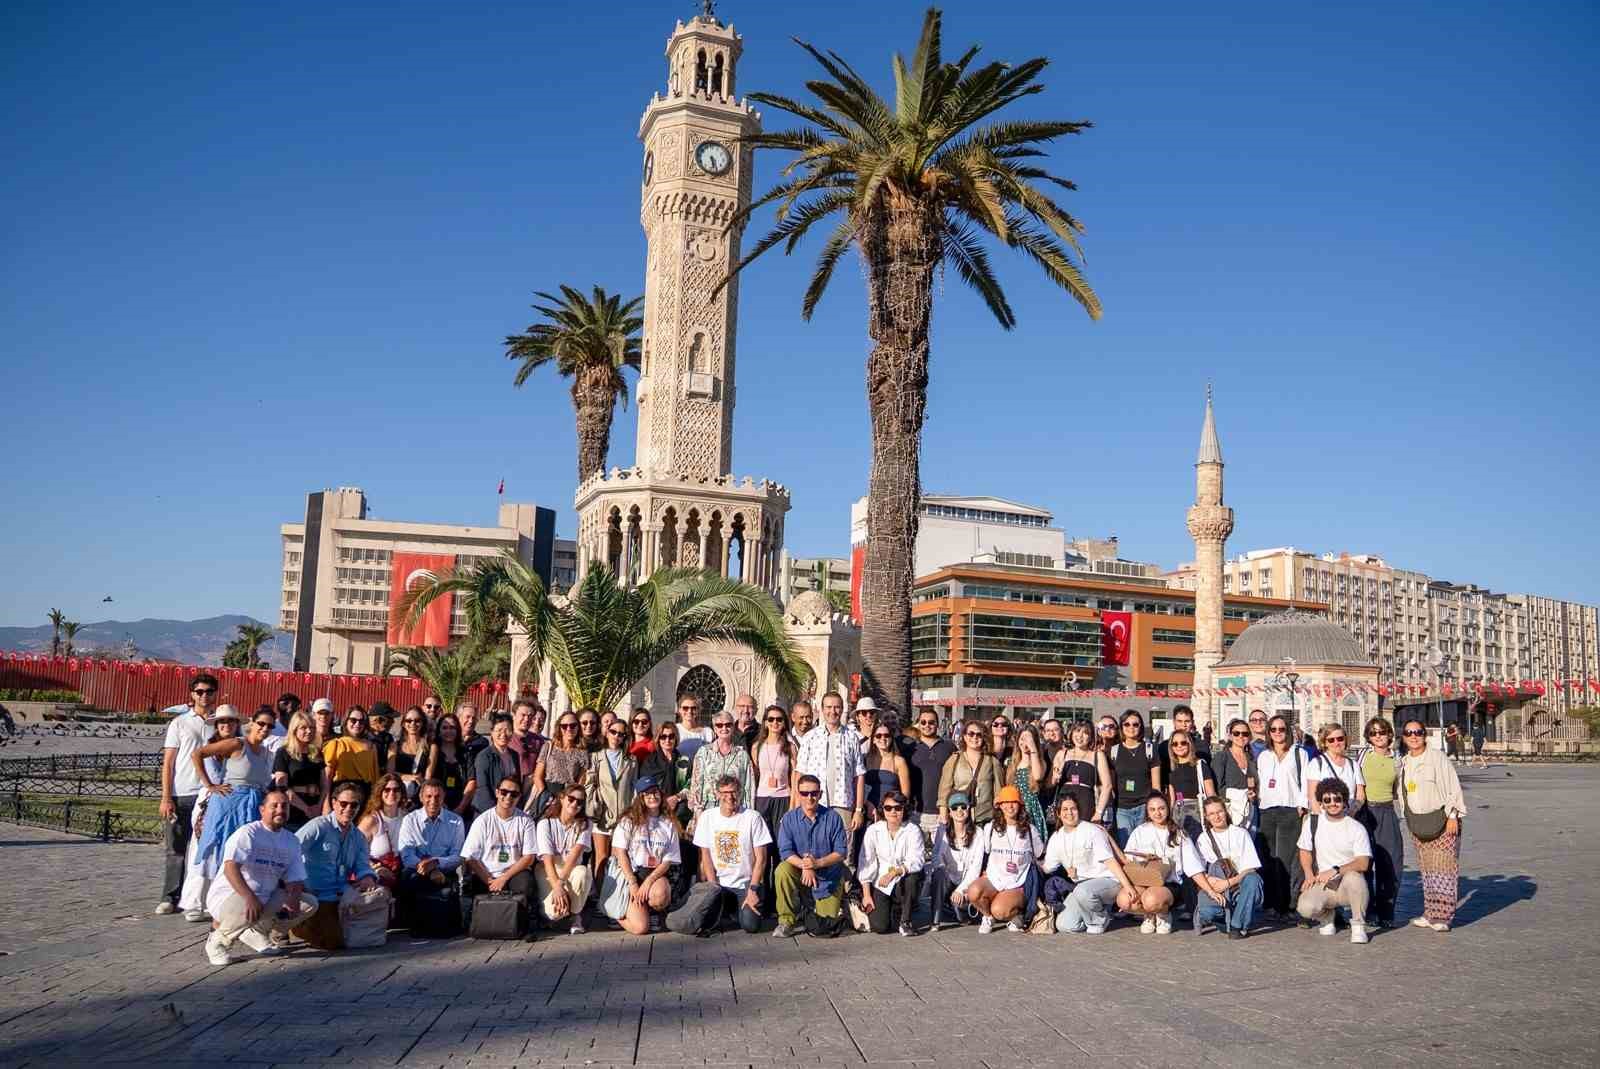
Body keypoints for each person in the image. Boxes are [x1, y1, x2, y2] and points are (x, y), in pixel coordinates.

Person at [203, 790, 315, 965]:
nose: (280, 810)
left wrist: (293, 899)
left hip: (264, 897)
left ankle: (257, 932)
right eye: (274, 806)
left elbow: (295, 878)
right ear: (262, 810)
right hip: (231, 896)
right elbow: (230, 869)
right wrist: (249, 897)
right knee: (247, 904)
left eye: (284, 806)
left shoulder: (291, 840)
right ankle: (218, 942)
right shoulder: (248, 833)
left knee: (308, 903)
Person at [192, 706, 277, 913]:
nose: (265, 729)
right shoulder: (237, 743)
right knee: (225, 852)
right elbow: (198, 754)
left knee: (244, 853)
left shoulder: (266, 753)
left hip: (252, 805)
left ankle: (237, 901)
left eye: (270, 726)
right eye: (261, 724)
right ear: (252, 723)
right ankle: (214, 905)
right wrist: (210, 785)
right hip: (229, 804)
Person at [669, 774, 771, 935]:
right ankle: (724, 910)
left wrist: (753, 888)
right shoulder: (707, 817)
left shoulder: (753, 817)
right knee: (706, 922)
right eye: (724, 793)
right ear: (717, 794)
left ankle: (735, 910)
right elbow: (706, 856)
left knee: (750, 925)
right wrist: (712, 886)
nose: (729, 797)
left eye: (733, 792)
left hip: (745, 883)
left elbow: (762, 859)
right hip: (719, 883)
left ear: (740, 793)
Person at [1396, 716, 1467, 932]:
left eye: (1418, 732)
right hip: (1419, 824)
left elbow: (1452, 786)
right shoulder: (1405, 762)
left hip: (1442, 820)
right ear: (1403, 737)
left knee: (1444, 869)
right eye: (1409, 733)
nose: (1414, 737)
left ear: (1424, 735)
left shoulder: (1437, 758)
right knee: (1427, 870)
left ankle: (1443, 917)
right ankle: (1430, 913)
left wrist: (1453, 815)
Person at [292, 780, 382, 950]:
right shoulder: (318, 826)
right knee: (334, 943)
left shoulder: (358, 837)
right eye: (343, 803)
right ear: (334, 803)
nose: (348, 809)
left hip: (341, 895)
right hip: (314, 895)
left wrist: (368, 877)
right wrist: (297, 882)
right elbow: (291, 849)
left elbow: (362, 865)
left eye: (354, 805)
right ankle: (295, 926)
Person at [157, 673, 216, 916]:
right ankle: (170, 896)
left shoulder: (220, 724)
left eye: (209, 691)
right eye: (199, 691)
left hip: (208, 795)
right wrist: (166, 796)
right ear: (192, 694)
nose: (204, 696)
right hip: (182, 792)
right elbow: (168, 762)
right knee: (176, 848)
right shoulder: (179, 723)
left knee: (204, 850)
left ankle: (198, 900)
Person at [177, 704, 242, 921]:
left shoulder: (240, 746)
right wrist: (209, 785)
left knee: (225, 853)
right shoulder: (210, 747)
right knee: (203, 850)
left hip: (231, 802)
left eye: (230, 721)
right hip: (211, 800)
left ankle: (215, 901)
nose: (226, 725)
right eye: (222, 721)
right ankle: (193, 902)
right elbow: (202, 763)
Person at [1041, 794, 1135, 935]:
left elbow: (1110, 861)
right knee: (1064, 925)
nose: (1069, 813)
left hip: (1108, 881)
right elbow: (1047, 868)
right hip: (1082, 888)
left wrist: (1127, 886)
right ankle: (1097, 911)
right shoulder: (1056, 838)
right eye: (1065, 809)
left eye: (1073, 809)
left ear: (1078, 811)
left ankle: (1099, 920)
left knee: (1083, 892)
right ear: (1058, 814)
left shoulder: (1092, 830)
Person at [1295, 778, 1373, 943]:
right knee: (1305, 907)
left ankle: (1358, 925)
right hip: (1323, 883)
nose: (1332, 803)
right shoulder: (1312, 823)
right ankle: (1326, 917)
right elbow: (1304, 850)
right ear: (1321, 803)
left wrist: (1336, 870)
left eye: (1337, 799)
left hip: (1347, 883)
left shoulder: (1356, 828)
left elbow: (1363, 863)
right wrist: (1309, 874)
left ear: (1344, 801)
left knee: (1355, 878)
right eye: (1327, 800)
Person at [957, 785, 1043, 934]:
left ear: (1020, 805)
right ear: (1000, 806)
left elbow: (1041, 855)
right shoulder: (991, 828)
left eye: (1014, 802)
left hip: (1017, 882)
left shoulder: (1030, 830)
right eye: (1006, 802)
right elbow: (985, 852)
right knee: (973, 892)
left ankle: (1017, 914)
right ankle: (988, 917)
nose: (1010, 806)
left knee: (999, 910)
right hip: (994, 878)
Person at [772, 774, 849, 937]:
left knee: (824, 927)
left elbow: (841, 852)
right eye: (804, 793)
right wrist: (806, 865)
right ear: (798, 794)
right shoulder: (789, 819)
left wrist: (817, 863)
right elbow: (785, 851)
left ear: (820, 794)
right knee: (782, 870)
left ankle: (820, 906)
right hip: (799, 872)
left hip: (827, 877)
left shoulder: (833, 818)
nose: (809, 797)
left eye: (814, 793)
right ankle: (786, 921)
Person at [1117, 792, 1204, 935]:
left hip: (1168, 883)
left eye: (1161, 808)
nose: (1157, 813)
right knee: (1124, 900)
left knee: (1151, 899)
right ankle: (1149, 915)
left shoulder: (1179, 833)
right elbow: (1128, 857)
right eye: (1152, 809)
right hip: (1143, 880)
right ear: (1147, 812)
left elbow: (1193, 865)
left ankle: (1163, 914)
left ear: (1168, 808)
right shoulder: (1140, 831)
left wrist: (1208, 889)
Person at [606, 777, 681, 934]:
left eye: (655, 792)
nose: (652, 797)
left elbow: (668, 860)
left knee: (661, 896)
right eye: (647, 794)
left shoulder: (668, 823)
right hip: (630, 874)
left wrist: (648, 881)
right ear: (640, 797)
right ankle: (614, 912)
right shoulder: (628, 820)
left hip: (653, 873)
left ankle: (650, 910)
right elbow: (620, 853)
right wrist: (633, 882)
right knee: (641, 928)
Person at [460, 774, 540, 922]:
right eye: (504, 792)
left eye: (514, 794)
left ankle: (518, 924)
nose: (508, 797)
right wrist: (489, 880)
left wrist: (504, 878)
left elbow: (529, 857)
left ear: (519, 797)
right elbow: (469, 857)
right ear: (497, 793)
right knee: (475, 890)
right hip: (487, 874)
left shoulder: (526, 821)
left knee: (526, 884)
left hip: (513, 873)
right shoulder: (482, 820)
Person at [795, 692, 866, 853]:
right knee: (813, 851)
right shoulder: (810, 737)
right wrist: (797, 805)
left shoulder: (851, 738)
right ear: (821, 709)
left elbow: (859, 775)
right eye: (828, 707)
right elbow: (799, 774)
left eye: (836, 707)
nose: (832, 711)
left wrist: (858, 810)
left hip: (843, 804)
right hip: (814, 803)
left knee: (844, 853)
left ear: (842, 709)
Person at [1255, 713, 1308, 921]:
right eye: (1273, 729)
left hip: (1290, 810)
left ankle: (1285, 905)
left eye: (1281, 729)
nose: (1278, 733)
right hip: (1267, 810)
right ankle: (1270, 904)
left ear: (1288, 731)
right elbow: (1261, 782)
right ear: (1269, 732)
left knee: (1286, 859)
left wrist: (1302, 805)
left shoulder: (1299, 753)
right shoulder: (1264, 756)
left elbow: (1305, 780)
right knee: (1268, 858)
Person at [1192, 796, 1264, 938]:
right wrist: (1210, 881)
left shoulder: (1241, 833)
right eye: (1211, 814)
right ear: (1206, 817)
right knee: (1208, 911)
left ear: (1226, 811)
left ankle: (1237, 925)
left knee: (1253, 879)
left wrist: (1229, 882)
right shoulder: (1203, 839)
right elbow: (1198, 870)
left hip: (1239, 886)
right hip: (1216, 887)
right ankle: (1226, 919)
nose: (1217, 816)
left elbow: (1251, 867)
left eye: (1219, 811)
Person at [1355, 717, 1403, 928]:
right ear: (1368, 737)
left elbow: (1400, 788)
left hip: (1387, 811)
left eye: (1382, 732)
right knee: (1365, 863)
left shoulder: (1398, 759)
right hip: (1365, 812)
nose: (1378, 736)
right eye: (1373, 733)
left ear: (1389, 734)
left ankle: (1387, 911)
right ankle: (1369, 910)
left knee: (1390, 863)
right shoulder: (1363, 755)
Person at [857, 790, 925, 936]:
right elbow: (866, 862)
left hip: (902, 880)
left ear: (904, 809)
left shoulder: (913, 830)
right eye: (888, 808)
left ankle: (905, 921)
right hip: (881, 883)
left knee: (913, 877)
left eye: (898, 808)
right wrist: (867, 895)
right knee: (880, 927)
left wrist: (895, 872)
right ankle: (894, 909)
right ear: (883, 809)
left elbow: (916, 860)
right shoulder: (873, 830)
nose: (893, 812)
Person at [397, 780, 466, 915]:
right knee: (408, 878)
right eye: (429, 796)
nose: (433, 801)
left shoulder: (456, 821)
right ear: (421, 798)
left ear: (443, 797)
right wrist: (430, 870)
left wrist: (436, 863)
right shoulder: (410, 820)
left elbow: (458, 856)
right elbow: (407, 855)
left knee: (452, 889)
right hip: (417, 870)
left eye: (437, 796)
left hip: (444, 871)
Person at [587, 717, 639, 889]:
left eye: (621, 734)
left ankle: (615, 895)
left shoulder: (631, 760)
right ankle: (600, 895)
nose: (616, 736)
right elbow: (589, 784)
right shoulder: (596, 757)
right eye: (613, 732)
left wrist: (631, 812)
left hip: (624, 814)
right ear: (607, 733)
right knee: (601, 857)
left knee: (619, 857)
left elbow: (634, 787)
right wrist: (593, 805)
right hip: (602, 813)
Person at [536, 785, 595, 933]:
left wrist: (560, 883)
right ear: (562, 798)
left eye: (580, 802)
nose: (575, 804)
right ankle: (552, 914)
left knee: (583, 872)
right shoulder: (545, 824)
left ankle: (575, 915)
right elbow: (547, 859)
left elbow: (574, 856)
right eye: (571, 799)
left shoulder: (585, 824)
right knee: (554, 913)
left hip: (571, 868)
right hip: (548, 870)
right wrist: (557, 886)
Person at [928, 792, 984, 928]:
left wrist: (961, 889)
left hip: (967, 882)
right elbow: (936, 857)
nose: (959, 811)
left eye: (963, 807)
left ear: (968, 810)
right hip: (948, 879)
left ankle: (955, 906)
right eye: (955, 808)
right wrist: (942, 866)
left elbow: (975, 868)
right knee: (939, 873)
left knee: (961, 914)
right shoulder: (942, 830)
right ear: (950, 812)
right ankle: (935, 919)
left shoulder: (978, 833)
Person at [1108, 710, 1162, 846]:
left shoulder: (1150, 749)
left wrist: (1154, 807)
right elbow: (1111, 785)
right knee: (1127, 846)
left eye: (1135, 724)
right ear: (1121, 727)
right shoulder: (1114, 751)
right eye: (1127, 724)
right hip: (1122, 808)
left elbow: (1156, 786)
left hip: (1144, 806)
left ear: (1141, 727)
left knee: (1145, 846)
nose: (1131, 727)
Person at [1050, 720, 1112, 836]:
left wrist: (1099, 812)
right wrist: (1056, 776)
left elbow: (1107, 786)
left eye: (1085, 733)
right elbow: (1053, 782)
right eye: (1077, 731)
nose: (1080, 736)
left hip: (1086, 803)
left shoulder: (1097, 755)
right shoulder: (1062, 754)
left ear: (1091, 737)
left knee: (1085, 837)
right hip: (1065, 802)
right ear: (1071, 733)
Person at [937, 717, 1004, 823]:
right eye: (971, 734)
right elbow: (944, 789)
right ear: (964, 736)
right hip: (959, 817)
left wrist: (999, 816)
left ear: (984, 738)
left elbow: (999, 792)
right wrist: (943, 813)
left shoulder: (992, 761)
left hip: (985, 818)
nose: (975, 737)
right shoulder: (954, 759)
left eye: (979, 735)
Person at [271, 710, 325, 831]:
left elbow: (324, 784)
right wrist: (306, 809)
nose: (309, 731)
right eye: (303, 728)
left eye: (312, 728)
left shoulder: (316, 753)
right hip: (293, 811)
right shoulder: (283, 753)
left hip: (315, 810)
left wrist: (319, 806)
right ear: (294, 730)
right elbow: (282, 786)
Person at [750, 704, 797, 840]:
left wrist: (793, 803)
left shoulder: (790, 747)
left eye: (779, 719)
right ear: (765, 723)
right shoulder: (757, 747)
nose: (775, 723)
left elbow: (794, 776)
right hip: (762, 798)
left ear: (784, 722)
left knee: (782, 838)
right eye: (771, 719)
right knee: (763, 840)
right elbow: (755, 774)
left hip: (783, 798)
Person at [908, 708, 955, 841]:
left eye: (931, 722)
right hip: (916, 812)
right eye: (923, 722)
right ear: (918, 724)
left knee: (943, 853)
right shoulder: (911, 747)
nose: (927, 725)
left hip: (941, 812)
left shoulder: (949, 747)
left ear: (937, 724)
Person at [322, 705, 379, 813]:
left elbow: (375, 779)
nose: (357, 724)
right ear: (346, 721)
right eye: (353, 720)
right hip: (341, 794)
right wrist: (326, 802)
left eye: (361, 721)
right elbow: (327, 777)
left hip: (364, 795)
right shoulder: (336, 744)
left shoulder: (371, 747)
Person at [361, 773, 409, 891]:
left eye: (396, 790)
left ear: (401, 793)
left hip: (401, 873)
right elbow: (355, 851)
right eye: (387, 790)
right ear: (380, 793)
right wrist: (376, 868)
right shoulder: (371, 820)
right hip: (376, 874)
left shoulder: (407, 817)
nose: (392, 793)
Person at [1164, 729, 1216, 838]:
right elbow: (1172, 799)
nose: (1179, 746)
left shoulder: (1200, 765)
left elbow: (1211, 794)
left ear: (1189, 744)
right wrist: (1169, 818)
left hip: (1197, 812)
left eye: (1183, 743)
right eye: (1175, 744)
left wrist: (1213, 814)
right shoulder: (1172, 769)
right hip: (1178, 814)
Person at [1306, 723, 1366, 817]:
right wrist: (1322, 819)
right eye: (1331, 740)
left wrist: (1352, 813)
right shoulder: (1316, 764)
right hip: (1324, 819)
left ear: (1345, 740)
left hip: (1348, 818)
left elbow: (1360, 795)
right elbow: (1312, 796)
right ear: (1325, 743)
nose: (1336, 743)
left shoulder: (1353, 765)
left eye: (1340, 739)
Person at [532, 711, 591, 804]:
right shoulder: (548, 746)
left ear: (578, 727)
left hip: (569, 797)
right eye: (564, 726)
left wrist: (572, 799)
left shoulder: (582, 752)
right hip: (547, 795)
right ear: (559, 728)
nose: (569, 729)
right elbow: (537, 776)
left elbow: (581, 781)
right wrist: (546, 796)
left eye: (573, 725)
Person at [1210, 718, 1258, 833]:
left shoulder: (1251, 758)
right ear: (1230, 736)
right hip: (1230, 812)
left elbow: (1255, 783)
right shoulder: (1222, 757)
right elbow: (1217, 787)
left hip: (1249, 812)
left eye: (1245, 734)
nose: (1241, 736)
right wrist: (1240, 794)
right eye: (1236, 733)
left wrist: (1253, 795)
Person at [1005, 723, 1049, 842]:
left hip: (1031, 809)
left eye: (1029, 738)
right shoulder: (1012, 763)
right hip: (1014, 808)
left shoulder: (1040, 762)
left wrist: (1033, 749)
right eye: (1022, 738)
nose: (1025, 742)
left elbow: (1038, 776)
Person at [472, 713, 524, 814]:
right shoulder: (484, 756)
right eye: (499, 730)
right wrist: (496, 813)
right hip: (487, 810)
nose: (503, 734)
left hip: (509, 808)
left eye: (507, 730)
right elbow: (483, 788)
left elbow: (517, 784)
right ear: (492, 732)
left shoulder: (514, 755)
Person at [862, 720, 911, 822]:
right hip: (868, 811)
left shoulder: (899, 761)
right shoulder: (865, 760)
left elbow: (905, 794)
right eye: (878, 736)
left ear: (891, 738)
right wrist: (867, 804)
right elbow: (859, 786)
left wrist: (894, 811)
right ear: (873, 739)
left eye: (886, 735)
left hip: (890, 813)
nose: (883, 738)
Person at [427, 713, 474, 816]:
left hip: (462, 805)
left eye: (452, 727)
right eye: (444, 728)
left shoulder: (465, 753)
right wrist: (441, 804)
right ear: (439, 731)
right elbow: (428, 779)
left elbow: (472, 781)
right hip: (437, 805)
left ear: (458, 730)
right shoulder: (433, 752)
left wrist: (460, 808)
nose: (448, 731)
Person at [392, 706, 432, 801]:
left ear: (422, 723)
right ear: (403, 723)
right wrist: (411, 777)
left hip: (420, 794)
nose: (413, 723)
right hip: (398, 794)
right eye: (409, 721)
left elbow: (428, 776)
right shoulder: (394, 745)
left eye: (417, 720)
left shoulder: (430, 746)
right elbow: (390, 772)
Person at [1160, 705, 1211, 774]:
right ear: (1174, 722)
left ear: (1192, 722)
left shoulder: (1202, 745)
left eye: (1187, 721)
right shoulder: (1164, 746)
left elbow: (1205, 772)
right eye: (1179, 721)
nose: (1183, 725)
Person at [511, 699, 549, 779]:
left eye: (530, 716)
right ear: (513, 715)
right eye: (523, 715)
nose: (526, 719)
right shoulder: (505, 739)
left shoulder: (539, 741)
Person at [674, 695, 711, 763]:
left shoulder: (707, 732)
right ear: (679, 710)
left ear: (698, 710)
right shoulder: (674, 730)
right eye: (685, 708)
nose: (689, 711)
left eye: (693, 708)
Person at [367, 702, 397, 775]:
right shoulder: (363, 737)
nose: (393, 722)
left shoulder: (388, 738)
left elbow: (390, 767)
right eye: (390, 719)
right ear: (378, 720)